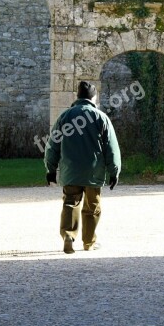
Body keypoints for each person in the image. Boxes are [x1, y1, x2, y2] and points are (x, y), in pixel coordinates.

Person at [44, 81, 121, 254]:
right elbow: (111, 148)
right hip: (94, 170)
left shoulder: (65, 116)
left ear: (77, 96)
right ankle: (89, 242)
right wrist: (114, 171)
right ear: (94, 97)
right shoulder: (101, 118)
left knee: (71, 202)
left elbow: (52, 145)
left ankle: (69, 236)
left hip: (70, 170)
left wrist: (50, 169)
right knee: (92, 206)